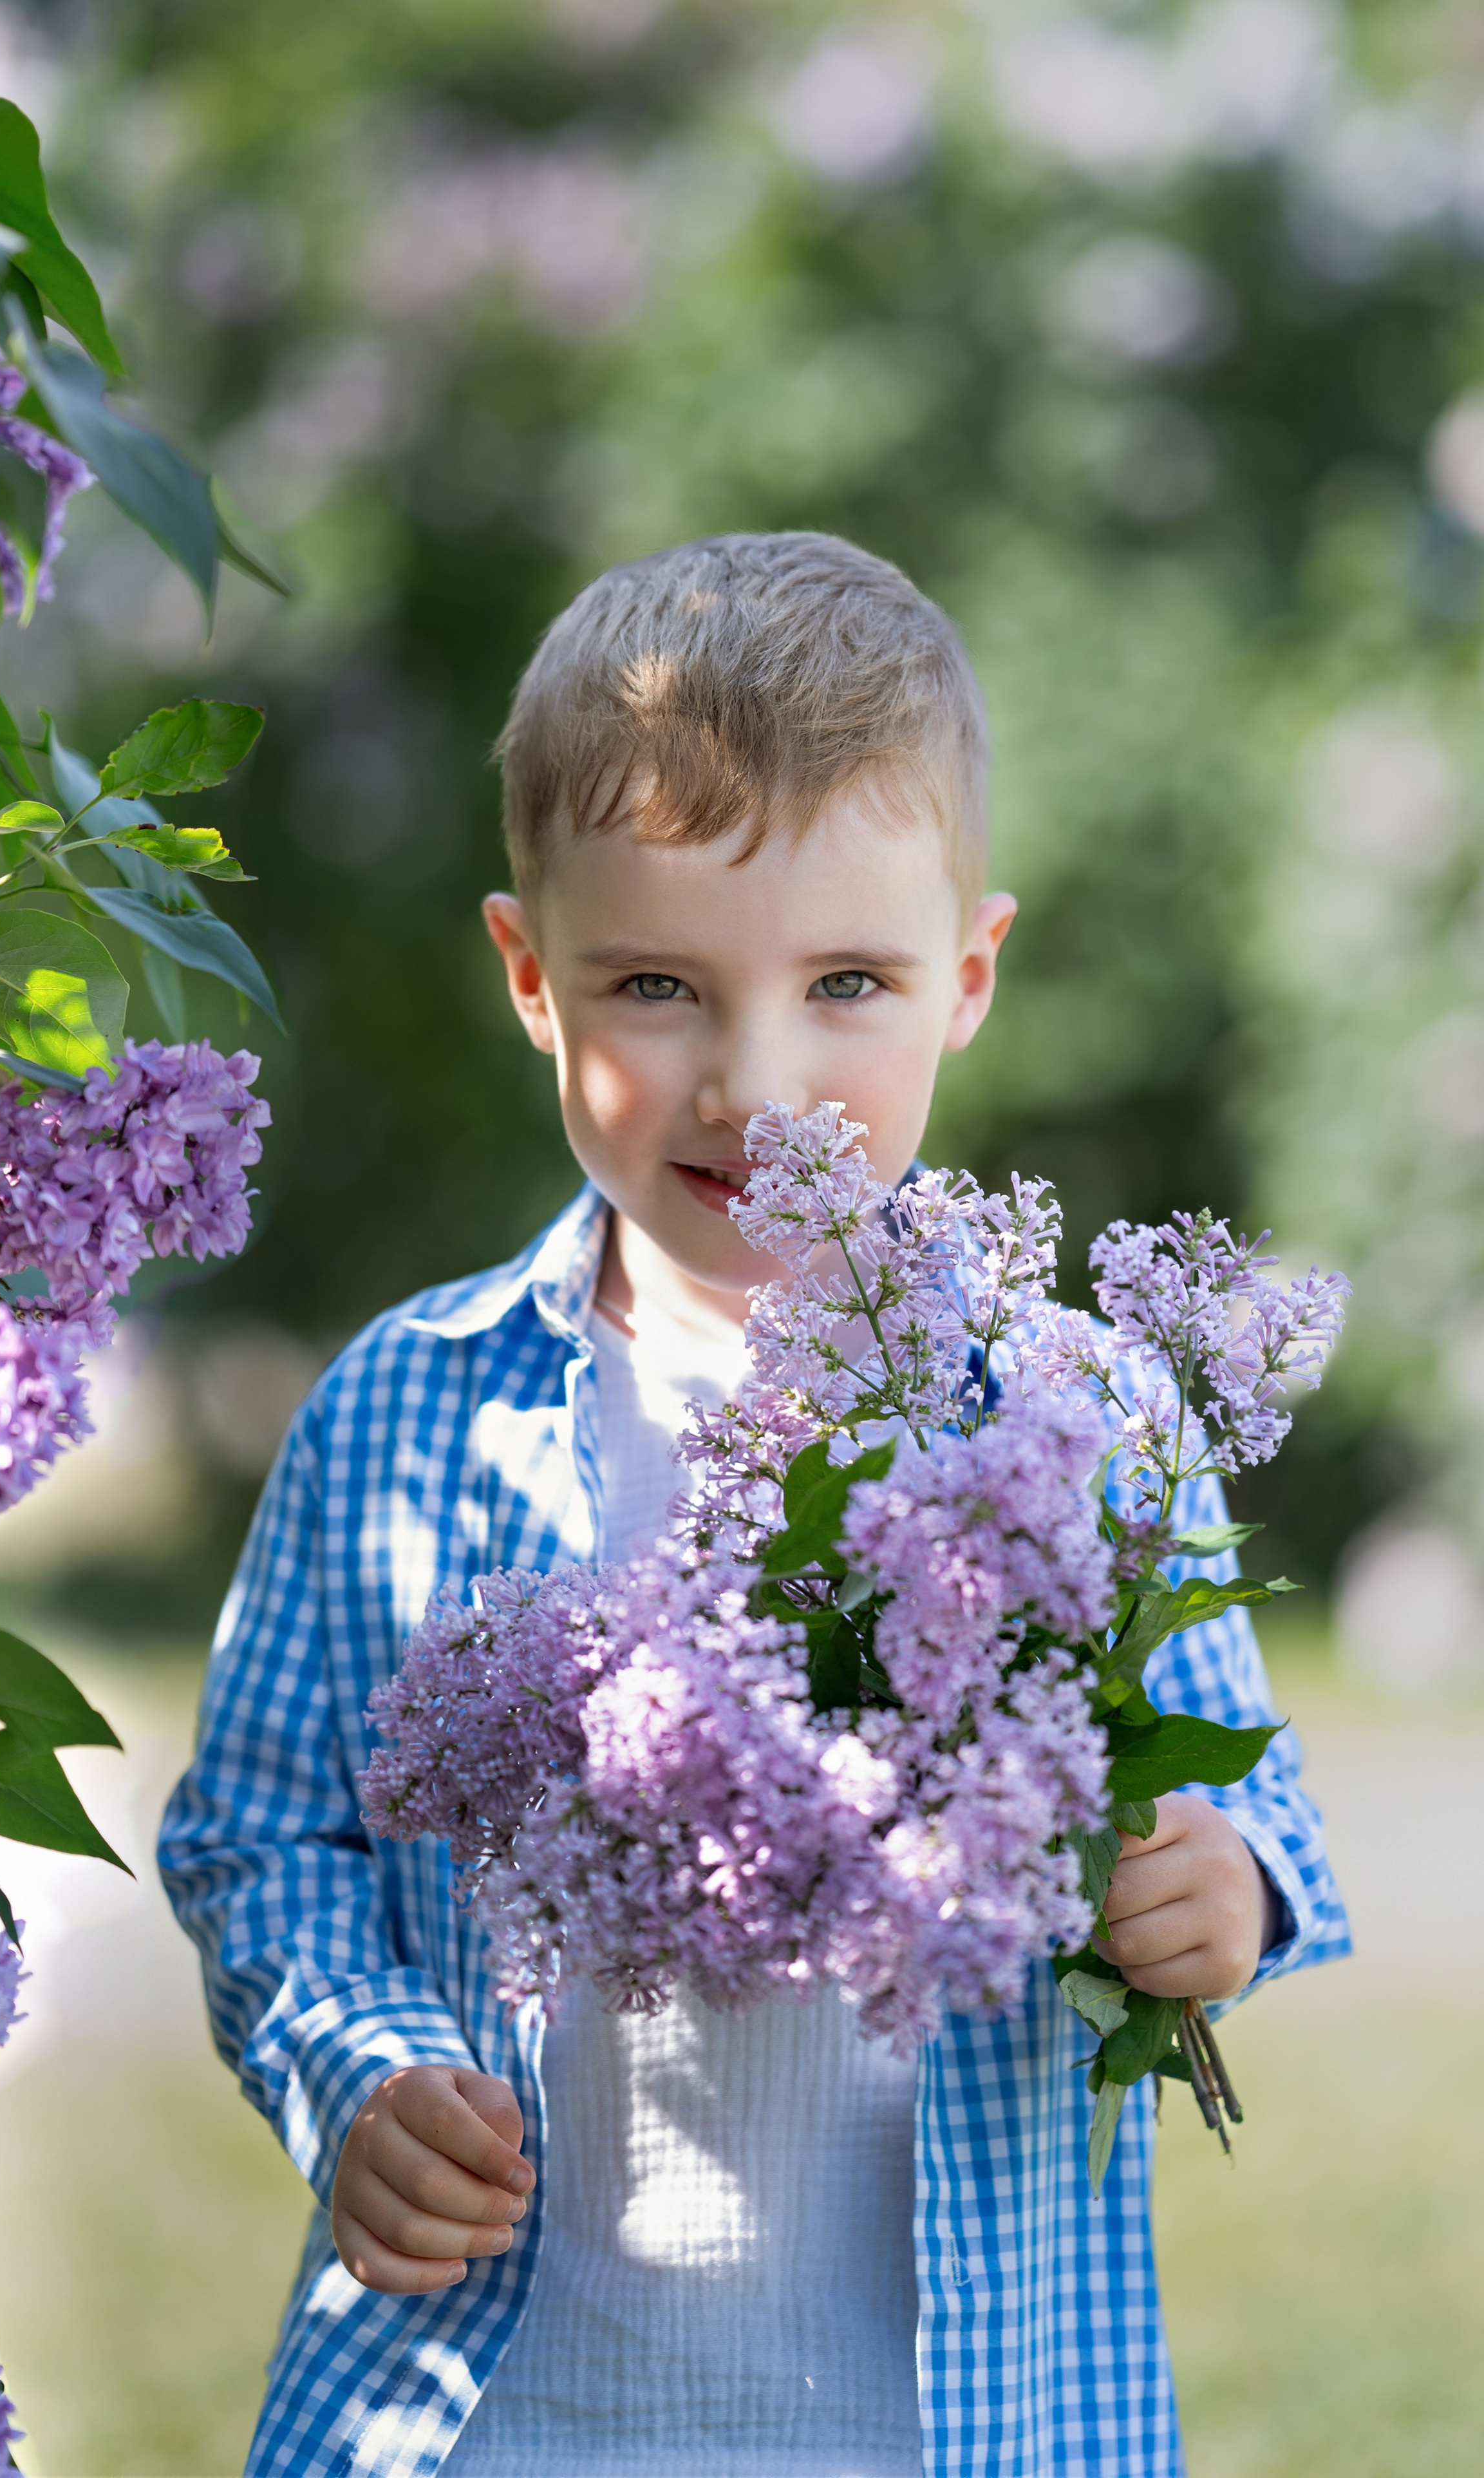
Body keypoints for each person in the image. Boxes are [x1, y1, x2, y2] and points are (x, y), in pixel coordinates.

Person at [159, 531, 1348, 2478]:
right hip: (506, 2413)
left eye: (850, 984)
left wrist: (1226, 1889)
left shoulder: (1086, 1412)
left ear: (970, 979)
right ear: (533, 982)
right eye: (656, 986)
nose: (755, 1080)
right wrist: (356, 2068)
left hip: (953, 2418)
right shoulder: (403, 1419)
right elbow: (258, 1837)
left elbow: (1253, 1797)